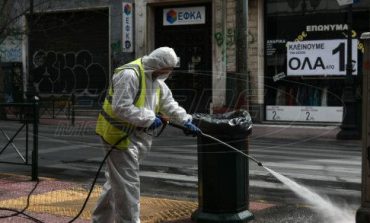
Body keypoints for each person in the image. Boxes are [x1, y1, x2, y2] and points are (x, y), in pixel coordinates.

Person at [93, 47, 200, 223]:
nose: (169, 73)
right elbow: (121, 107)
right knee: (128, 186)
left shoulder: (157, 80)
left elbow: (169, 104)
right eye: (168, 69)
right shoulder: (129, 75)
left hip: (135, 137)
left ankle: (100, 220)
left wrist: (186, 121)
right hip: (118, 136)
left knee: (117, 182)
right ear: (159, 64)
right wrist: (149, 118)